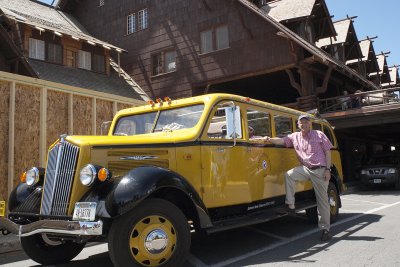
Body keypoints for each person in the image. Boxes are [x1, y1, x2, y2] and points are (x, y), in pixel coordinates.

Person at [263, 114, 333, 241]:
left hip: (320, 170)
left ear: (310, 123)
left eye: (306, 122)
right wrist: (269, 139)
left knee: (322, 201)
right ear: (298, 125)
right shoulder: (294, 136)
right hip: (305, 169)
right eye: (301, 123)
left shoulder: (319, 134)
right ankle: (290, 205)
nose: (304, 124)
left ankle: (325, 229)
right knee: (289, 175)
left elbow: (328, 152)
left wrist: (328, 169)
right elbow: (282, 140)